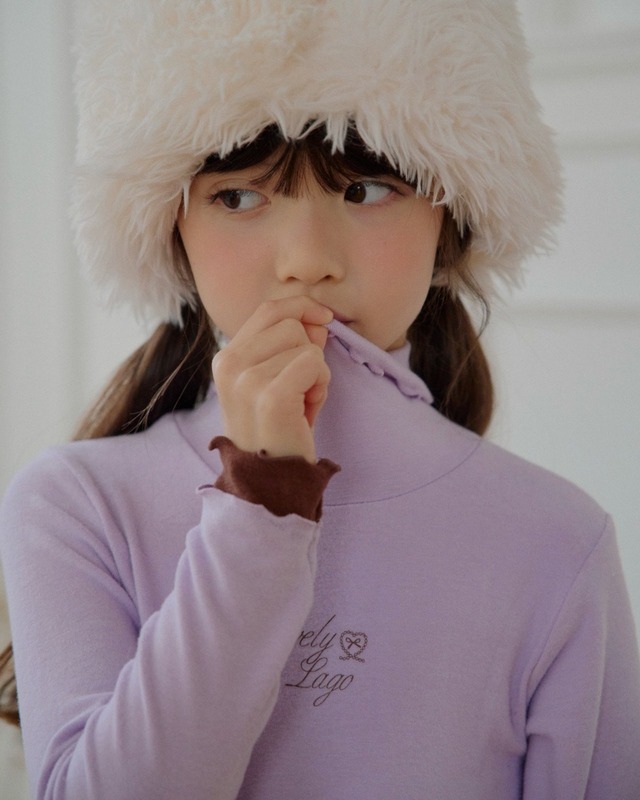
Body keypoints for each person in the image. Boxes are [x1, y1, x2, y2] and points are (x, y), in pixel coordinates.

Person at [1, 1, 639, 798]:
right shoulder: (75, 504)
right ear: (171, 228)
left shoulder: (558, 539)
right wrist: (262, 502)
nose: (307, 261)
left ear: (452, 217)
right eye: (239, 197)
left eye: (366, 189)